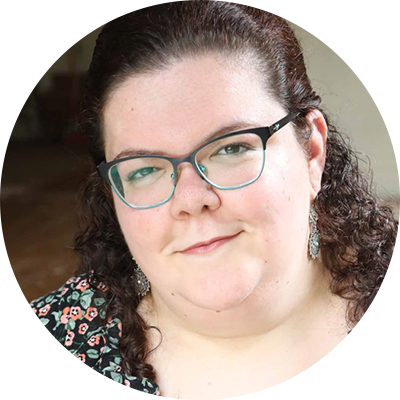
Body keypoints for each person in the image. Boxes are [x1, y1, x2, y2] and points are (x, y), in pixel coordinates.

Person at [1, 0, 400, 399]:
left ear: (312, 152)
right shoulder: (27, 364)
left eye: (230, 148)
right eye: (144, 170)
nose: (190, 199)